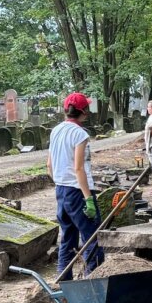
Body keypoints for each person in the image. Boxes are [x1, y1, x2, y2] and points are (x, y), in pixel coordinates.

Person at [48, 93, 105, 280]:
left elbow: (49, 165)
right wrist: (88, 198)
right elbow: (79, 168)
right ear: (83, 112)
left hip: (61, 190)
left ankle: (63, 281)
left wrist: (59, 184)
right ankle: (94, 281)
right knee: (92, 238)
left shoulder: (55, 130)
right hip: (78, 191)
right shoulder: (80, 134)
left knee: (68, 239)